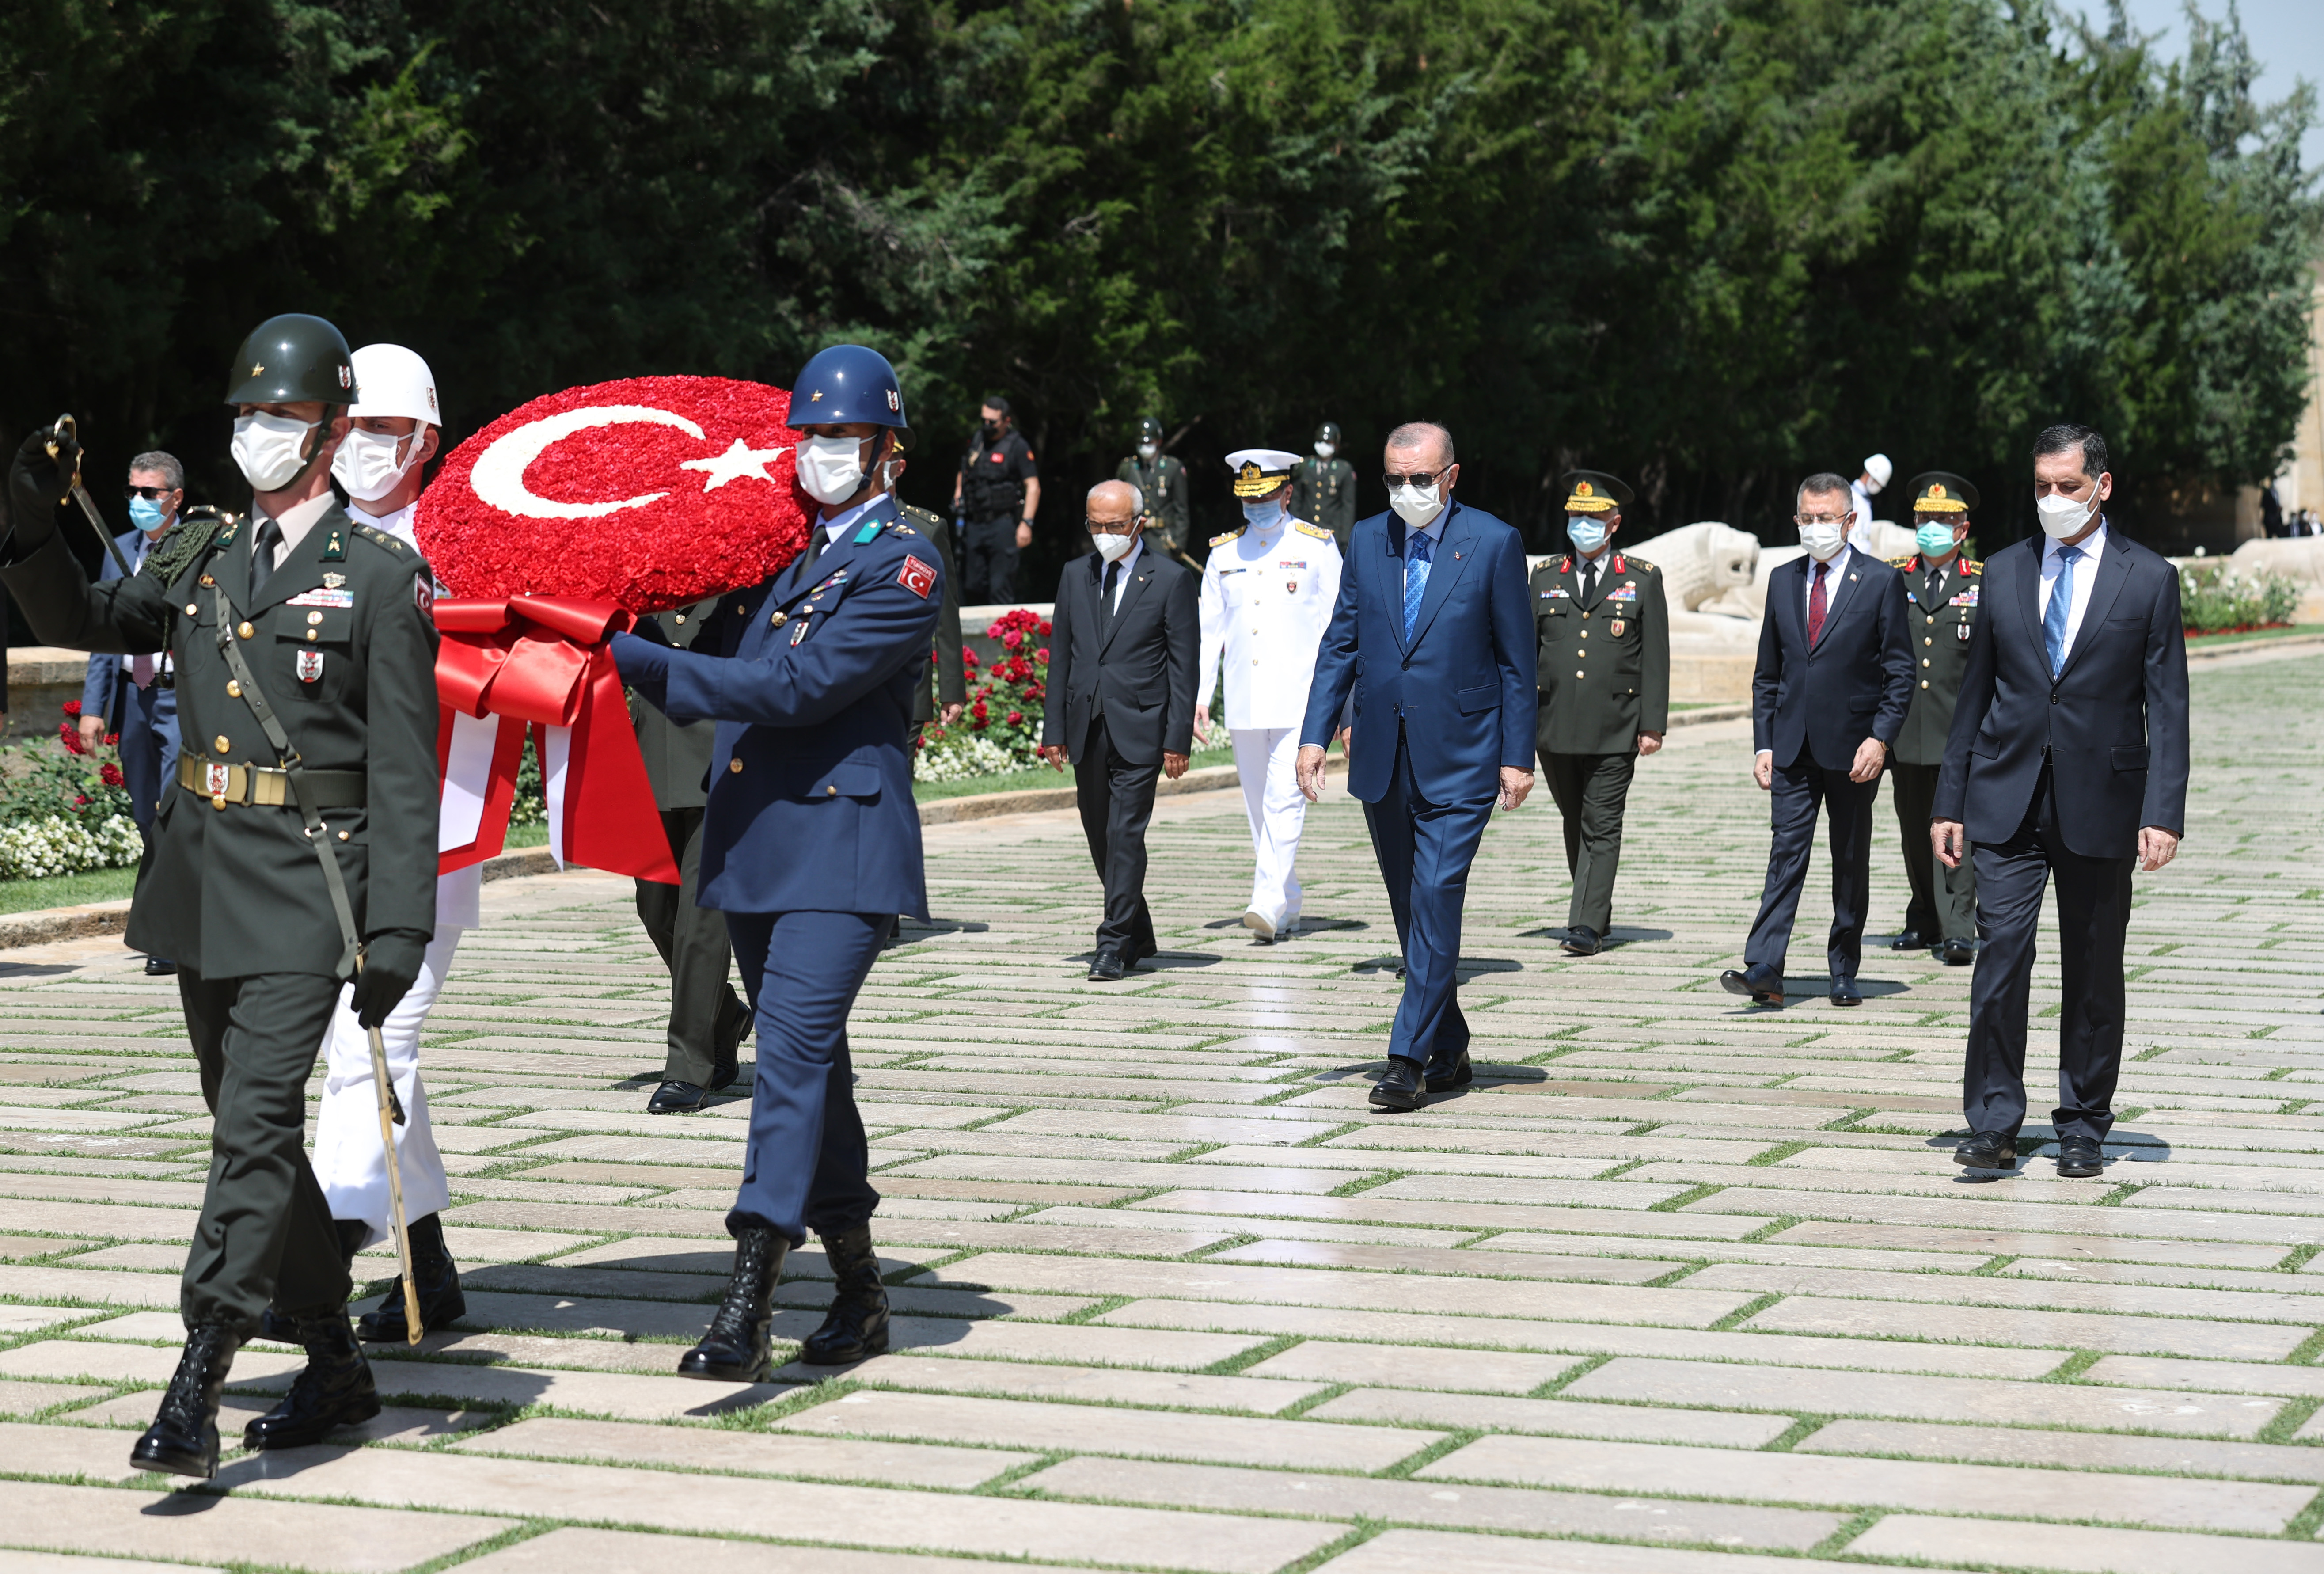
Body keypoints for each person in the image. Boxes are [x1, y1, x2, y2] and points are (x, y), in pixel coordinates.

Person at [3, 313, 438, 1477]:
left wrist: (400, 923)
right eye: (247, 415)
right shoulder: (200, 552)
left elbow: (404, 769)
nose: (259, 434)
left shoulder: (378, 576)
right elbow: (85, 621)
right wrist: (32, 524)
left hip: (309, 883)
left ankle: (201, 1366)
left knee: (253, 1125)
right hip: (203, 878)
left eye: (283, 417)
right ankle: (337, 1358)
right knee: (247, 1130)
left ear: (331, 431)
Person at [611, 343, 936, 1380]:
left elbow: (796, 687)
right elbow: (717, 637)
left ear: (887, 452)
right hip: (758, 847)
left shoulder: (903, 565)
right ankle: (859, 1287)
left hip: (840, 851)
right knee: (816, 1066)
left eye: (844, 436)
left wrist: (626, 654)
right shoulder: (784, 561)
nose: (822, 451)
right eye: (810, 435)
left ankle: (748, 1300)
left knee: (788, 1054)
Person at [1934, 424, 2188, 1179]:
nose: (2052, 498)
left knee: (2094, 966)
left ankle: (2082, 1124)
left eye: (2067, 486)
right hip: (2006, 797)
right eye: (2042, 485)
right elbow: (1974, 694)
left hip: (2102, 801)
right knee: (2001, 957)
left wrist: (2163, 811)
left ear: (2101, 486)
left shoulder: (2148, 578)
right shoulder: (2006, 570)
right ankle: (1993, 1121)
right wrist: (1950, 798)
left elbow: (2168, 706)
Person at [288, 342, 474, 1343]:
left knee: (380, 1033)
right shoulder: (307, 534)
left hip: (428, 824)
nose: (360, 445)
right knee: (359, 1044)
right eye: (349, 427)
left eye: (383, 430)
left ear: (426, 440)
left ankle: (322, 1245)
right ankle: (427, 1264)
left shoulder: (464, 544)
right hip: (323, 831)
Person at [1295, 422, 1535, 1111]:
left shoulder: (1493, 542)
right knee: (1410, 908)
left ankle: (1407, 1058)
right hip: (1382, 753)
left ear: (1451, 476)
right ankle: (1450, 1042)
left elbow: (1519, 662)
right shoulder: (1368, 538)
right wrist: (1315, 735)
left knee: (1435, 894)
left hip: (1463, 754)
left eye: (1421, 479)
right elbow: (1341, 643)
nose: (1408, 490)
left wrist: (1518, 755)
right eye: (1395, 479)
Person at [1720, 472, 1913, 1009]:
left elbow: (1900, 673)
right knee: (1785, 852)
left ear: (1848, 521)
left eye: (1825, 518)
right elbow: (1768, 672)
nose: (1815, 527)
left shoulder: (1880, 581)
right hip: (1791, 746)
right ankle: (1765, 967)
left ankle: (1844, 967)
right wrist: (1763, 744)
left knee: (1849, 859)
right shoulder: (1782, 579)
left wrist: (1880, 740)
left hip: (1854, 750)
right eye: (1807, 518)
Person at [1040, 479, 1199, 980]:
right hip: (1087, 723)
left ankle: (1111, 943)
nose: (1104, 534)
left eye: (1114, 525)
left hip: (1142, 726)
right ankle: (1139, 931)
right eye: (1095, 524)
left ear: (1138, 523)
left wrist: (1177, 738)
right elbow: (1061, 656)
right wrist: (1053, 729)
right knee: (1100, 837)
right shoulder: (1076, 574)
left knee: (1124, 834)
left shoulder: (1171, 579)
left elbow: (1184, 668)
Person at [1194, 448, 1343, 941]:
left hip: (1301, 698)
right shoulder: (1224, 554)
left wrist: (1341, 701)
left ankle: (1266, 900)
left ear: (1287, 493)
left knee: (1285, 798)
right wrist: (1201, 695)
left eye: (1264, 498)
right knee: (1259, 806)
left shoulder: (1318, 547)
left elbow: (1339, 629)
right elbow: (1209, 632)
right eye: (1248, 499)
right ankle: (1288, 899)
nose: (1256, 507)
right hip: (1245, 698)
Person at [1529, 471, 1669, 957]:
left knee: (1601, 822)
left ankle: (1586, 926)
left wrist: (1652, 724)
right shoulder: (1545, 576)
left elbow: (1656, 656)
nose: (1582, 525)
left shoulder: (1641, 578)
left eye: (1593, 518)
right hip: (1553, 724)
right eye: (1575, 516)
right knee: (1576, 819)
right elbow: (1527, 653)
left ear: (1614, 523)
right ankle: (1595, 910)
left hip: (1616, 723)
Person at [82, 450, 187, 975]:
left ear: (176, 498)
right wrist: (93, 708)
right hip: (134, 697)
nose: (139, 501)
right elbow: (106, 629)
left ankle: (170, 933)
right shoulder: (118, 548)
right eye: (133, 492)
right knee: (146, 812)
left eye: (150, 493)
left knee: (174, 809)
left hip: (180, 696)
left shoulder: (200, 547)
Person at [1884, 472, 1983, 966]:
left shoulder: (1981, 582)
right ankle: (1924, 915)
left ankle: (1959, 927)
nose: (1933, 528)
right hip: (1905, 732)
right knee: (1912, 830)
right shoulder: (1893, 578)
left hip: (1957, 733)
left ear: (1962, 529)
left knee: (1957, 833)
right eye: (1926, 519)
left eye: (1944, 519)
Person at [952, 395, 1039, 605]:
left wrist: (1027, 523)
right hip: (975, 522)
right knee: (972, 584)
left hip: (1003, 523)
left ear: (1006, 421)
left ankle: (1003, 626)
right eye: (984, 420)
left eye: (992, 422)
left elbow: (1033, 486)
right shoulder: (978, 440)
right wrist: (959, 491)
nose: (987, 425)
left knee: (1001, 586)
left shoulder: (1017, 446)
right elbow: (965, 469)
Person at [1117, 416, 1190, 564]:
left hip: (1163, 540)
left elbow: (1181, 510)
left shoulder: (1173, 468)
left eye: (1149, 443)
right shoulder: (1128, 467)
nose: (1145, 447)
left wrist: (1178, 543)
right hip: (1134, 539)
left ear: (1159, 442)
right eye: (1141, 443)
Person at [1291, 422, 1358, 547]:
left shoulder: (1344, 470)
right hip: (1305, 532)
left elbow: (1348, 507)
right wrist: (1293, 528)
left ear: (1336, 445)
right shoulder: (1304, 466)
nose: (1323, 445)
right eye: (1320, 441)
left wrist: (1345, 539)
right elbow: (1296, 500)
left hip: (1331, 535)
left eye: (1328, 442)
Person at [1851, 453, 1892, 530]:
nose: (1879, 488)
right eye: (1878, 483)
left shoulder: (1865, 500)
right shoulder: (1851, 496)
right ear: (1869, 475)